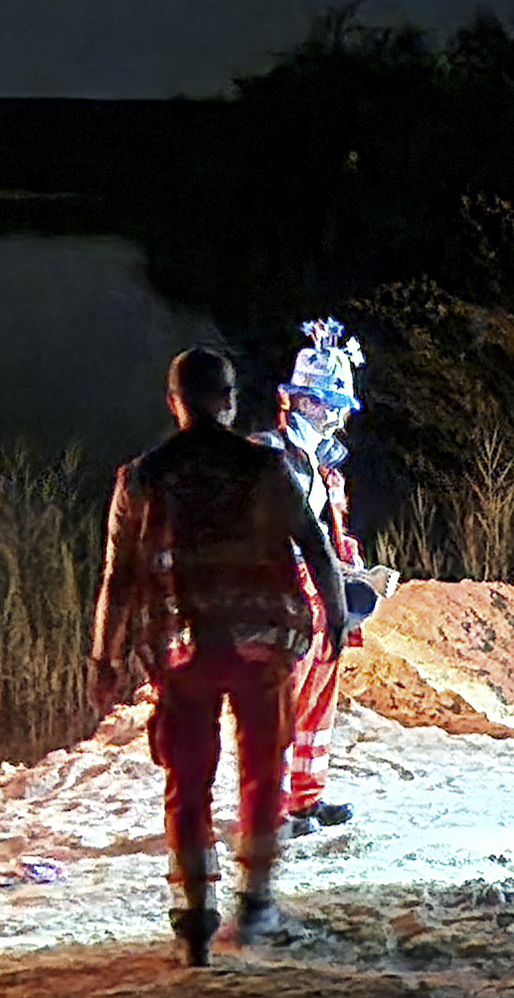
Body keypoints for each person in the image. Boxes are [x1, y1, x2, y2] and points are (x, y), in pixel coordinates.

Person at [91, 347, 347, 966]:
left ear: (174, 402)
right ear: (230, 401)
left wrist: (104, 657)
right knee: (263, 773)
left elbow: (117, 576)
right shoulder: (265, 467)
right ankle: (255, 899)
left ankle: (195, 918)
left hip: (182, 652)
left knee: (189, 781)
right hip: (262, 645)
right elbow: (316, 546)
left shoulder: (142, 477)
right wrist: (335, 617)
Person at [250, 318, 382, 836]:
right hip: (285, 596)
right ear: (304, 402)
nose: (338, 418)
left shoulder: (326, 467)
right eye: (332, 404)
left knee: (317, 703)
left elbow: (330, 535)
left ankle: (305, 800)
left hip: (324, 596)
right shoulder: (271, 455)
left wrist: (356, 576)